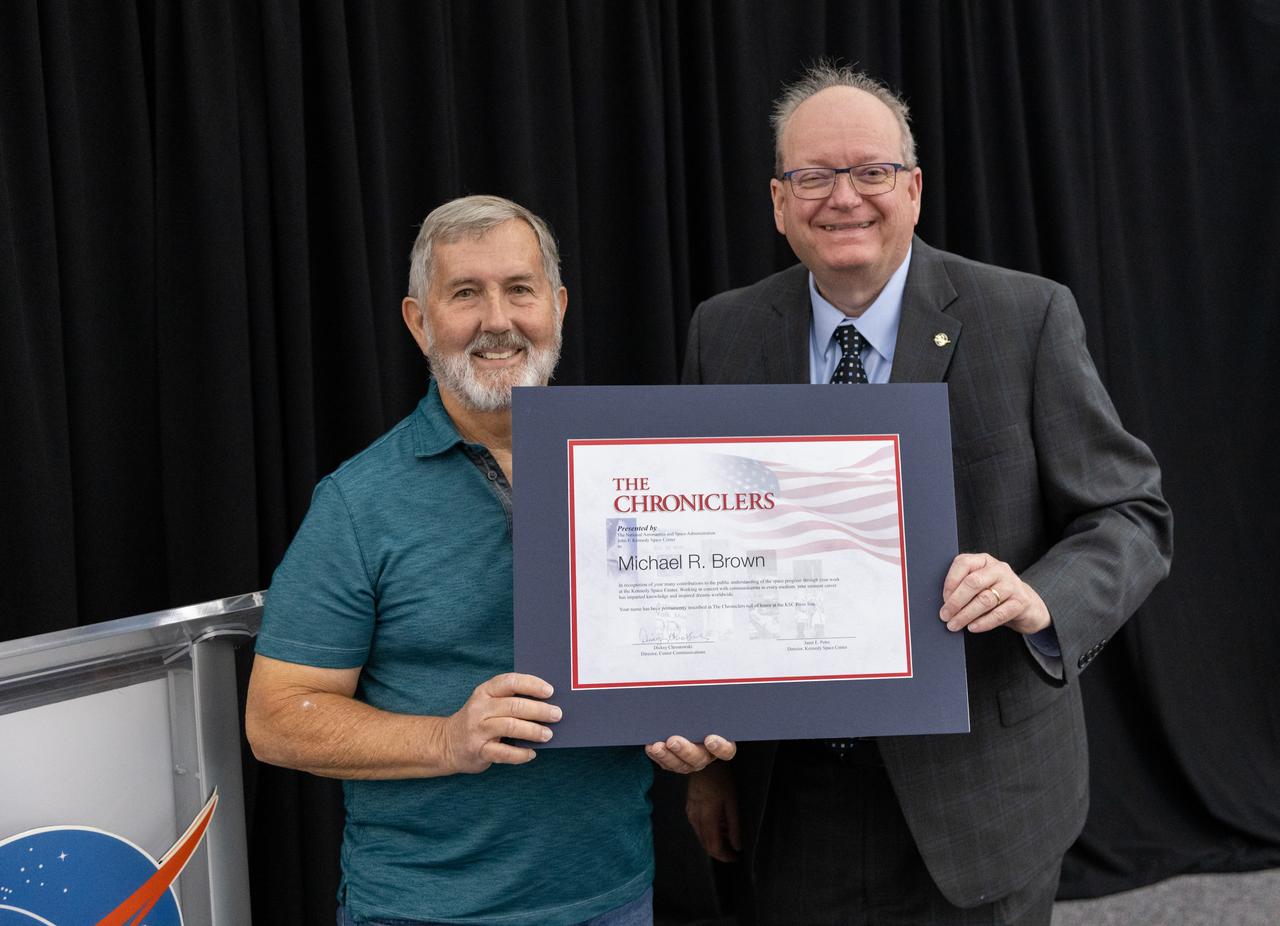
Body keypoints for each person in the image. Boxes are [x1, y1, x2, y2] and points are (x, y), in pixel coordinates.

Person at [681, 64, 1173, 925]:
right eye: (814, 176)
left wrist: (1038, 597)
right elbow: (699, 552)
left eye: (870, 171)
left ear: (912, 188)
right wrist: (713, 762)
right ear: (777, 200)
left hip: (984, 797)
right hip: (792, 799)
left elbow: (1131, 514)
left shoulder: (1026, 317)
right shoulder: (722, 332)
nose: (844, 198)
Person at [245, 195, 734, 926]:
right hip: (425, 910)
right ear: (419, 320)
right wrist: (445, 738)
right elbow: (276, 719)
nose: (498, 321)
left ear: (558, 307)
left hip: (613, 897)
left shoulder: (645, 469)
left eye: (520, 290)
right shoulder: (357, 503)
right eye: (465, 293)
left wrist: (695, 729)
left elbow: (691, 643)